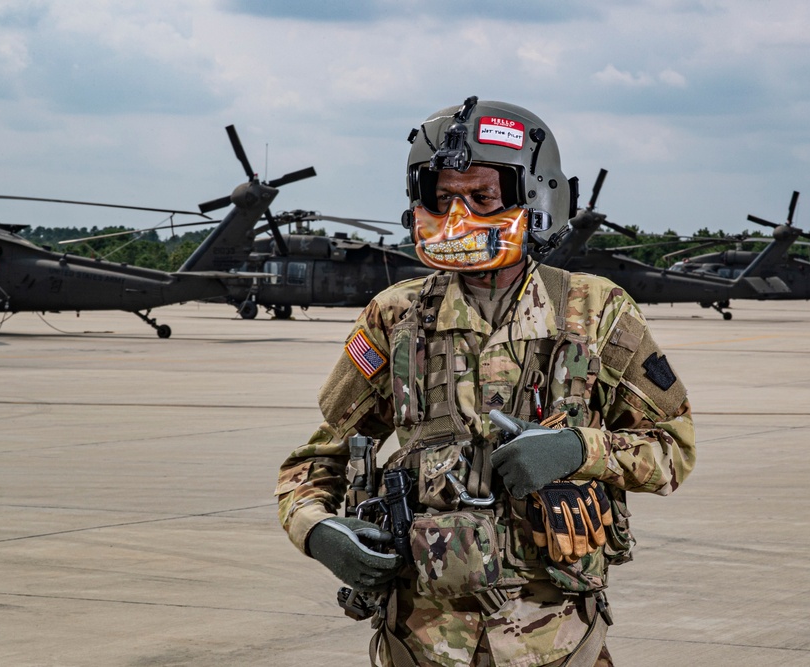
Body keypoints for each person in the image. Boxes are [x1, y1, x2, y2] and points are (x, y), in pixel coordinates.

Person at [275, 96, 696, 667]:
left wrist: (577, 450)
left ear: (537, 198)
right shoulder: (394, 317)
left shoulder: (597, 312)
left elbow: (673, 453)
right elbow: (315, 461)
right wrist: (318, 531)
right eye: (443, 197)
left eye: (481, 197)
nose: (458, 216)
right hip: (418, 643)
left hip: (559, 643)